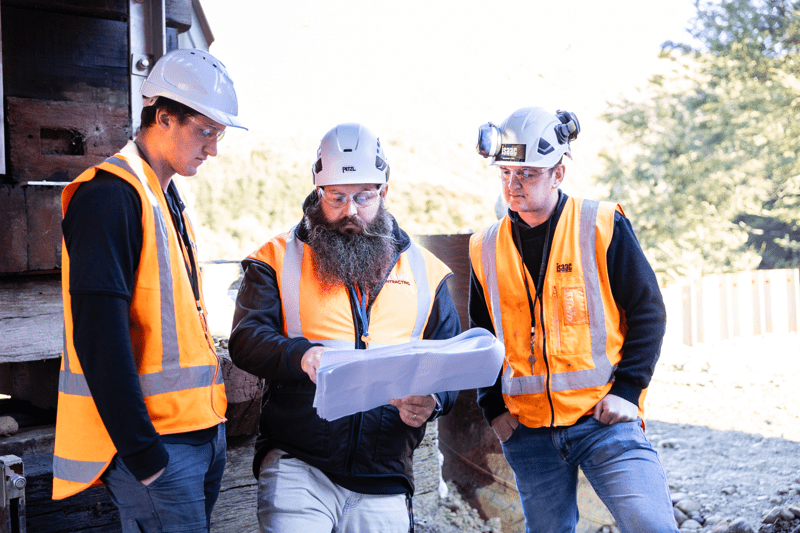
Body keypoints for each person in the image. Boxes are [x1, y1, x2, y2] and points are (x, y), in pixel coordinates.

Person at [229, 122, 462, 533]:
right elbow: (246, 340)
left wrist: (435, 399)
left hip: (385, 470)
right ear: (318, 192)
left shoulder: (428, 272)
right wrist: (302, 355)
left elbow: (451, 363)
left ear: (384, 193)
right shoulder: (274, 258)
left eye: (363, 197)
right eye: (336, 197)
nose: (350, 210)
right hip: (299, 463)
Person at [53, 48, 247, 533]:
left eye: (218, 135)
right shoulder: (107, 198)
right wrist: (144, 455)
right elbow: (99, 339)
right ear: (163, 116)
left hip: (197, 433)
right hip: (159, 447)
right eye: (206, 131)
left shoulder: (162, 197)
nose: (213, 149)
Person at [469, 107, 679, 533]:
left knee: (652, 526)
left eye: (527, 173)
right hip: (527, 434)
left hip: (604, 420)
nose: (514, 184)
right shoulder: (485, 247)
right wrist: (493, 408)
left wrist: (628, 390)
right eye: (506, 173)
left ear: (558, 172)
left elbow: (648, 310)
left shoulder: (601, 225)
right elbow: (482, 337)